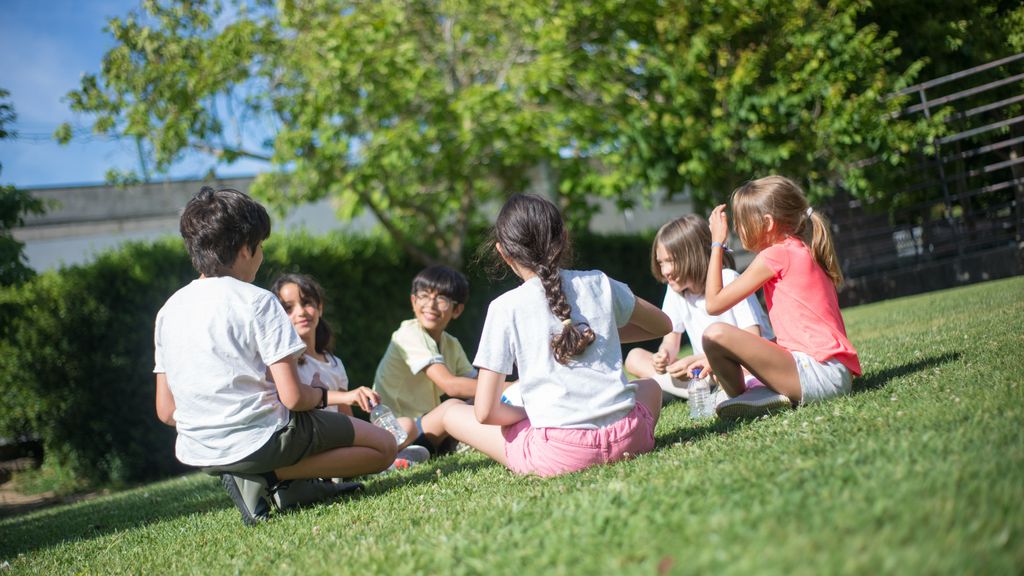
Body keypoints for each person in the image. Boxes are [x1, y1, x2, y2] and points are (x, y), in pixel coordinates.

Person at [154, 187, 396, 526]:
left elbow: (166, 411)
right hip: (264, 438)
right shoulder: (256, 301)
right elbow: (295, 398)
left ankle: (279, 482)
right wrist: (325, 395)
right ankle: (266, 474)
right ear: (243, 249)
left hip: (200, 449)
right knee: (383, 448)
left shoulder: (169, 311)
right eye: (261, 246)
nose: (262, 255)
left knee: (305, 438)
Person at [442, 193, 672, 477]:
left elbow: (485, 412)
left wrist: (532, 413)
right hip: (629, 438)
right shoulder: (599, 283)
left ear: (503, 252)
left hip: (561, 453)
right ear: (563, 236)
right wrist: (599, 334)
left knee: (451, 411)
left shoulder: (504, 308)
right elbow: (662, 325)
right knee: (651, 387)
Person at [702, 175, 862, 419]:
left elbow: (713, 303)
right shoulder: (802, 249)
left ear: (767, 223)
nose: (737, 229)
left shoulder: (776, 255)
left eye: (742, 222)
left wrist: (716, 244)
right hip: (832, 374)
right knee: (727, 347)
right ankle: (757, 396)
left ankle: (744, 398)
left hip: (818, 374)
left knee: (714, 335)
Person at [271, 272, 430, 470]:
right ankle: (382, 462)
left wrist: (364, 426)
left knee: (406, 425)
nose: (301, 312)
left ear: (320, 307)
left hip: (338, 439)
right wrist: (347, 397)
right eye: (288, 308)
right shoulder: (286, 364)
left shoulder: (334, 363)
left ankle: (383, 460)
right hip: (311, 441)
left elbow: (348, 420)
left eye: (307, 303)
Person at [624, 214, 774, 401]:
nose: (665, 271)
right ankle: (693, 390)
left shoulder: (728, 279)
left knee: (713, 373)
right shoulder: (675, 292)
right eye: (661, 262)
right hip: (705, 372)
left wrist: (697, 360)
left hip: (744, 365)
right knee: (634, 357)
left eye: (670, 261)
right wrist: (664, 356)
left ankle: (683, 390)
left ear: (692, 255)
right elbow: (671, 341)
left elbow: (753, 341)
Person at [372, 265, 476, 457]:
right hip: (398, 432)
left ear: (457, 310)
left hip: (425, 427)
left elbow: (475, 384)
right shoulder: (408, 333)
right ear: (413, 301)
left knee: (475, 402)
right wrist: (508, 387)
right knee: (451, 408)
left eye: (442, 298)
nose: (431, 304)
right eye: (424, 296)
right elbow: (451, 386)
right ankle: (404, 456)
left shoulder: (451, 343)